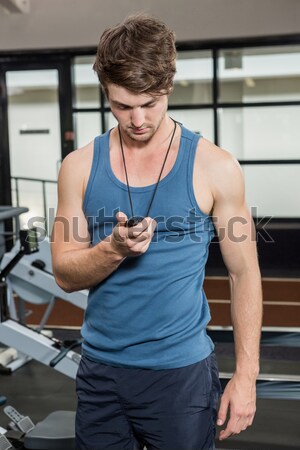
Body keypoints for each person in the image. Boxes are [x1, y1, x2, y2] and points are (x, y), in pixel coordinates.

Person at [51, 13, 262, 450]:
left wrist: (245, 376)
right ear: (106, 93)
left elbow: (245, 274)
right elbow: (65, 275)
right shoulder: (78, 168)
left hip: (180, 376)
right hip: (100, 375)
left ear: (168, 86)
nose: (139, 119)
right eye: (123, 106)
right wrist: (112, 250)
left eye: (150, 103)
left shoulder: (216, 167)